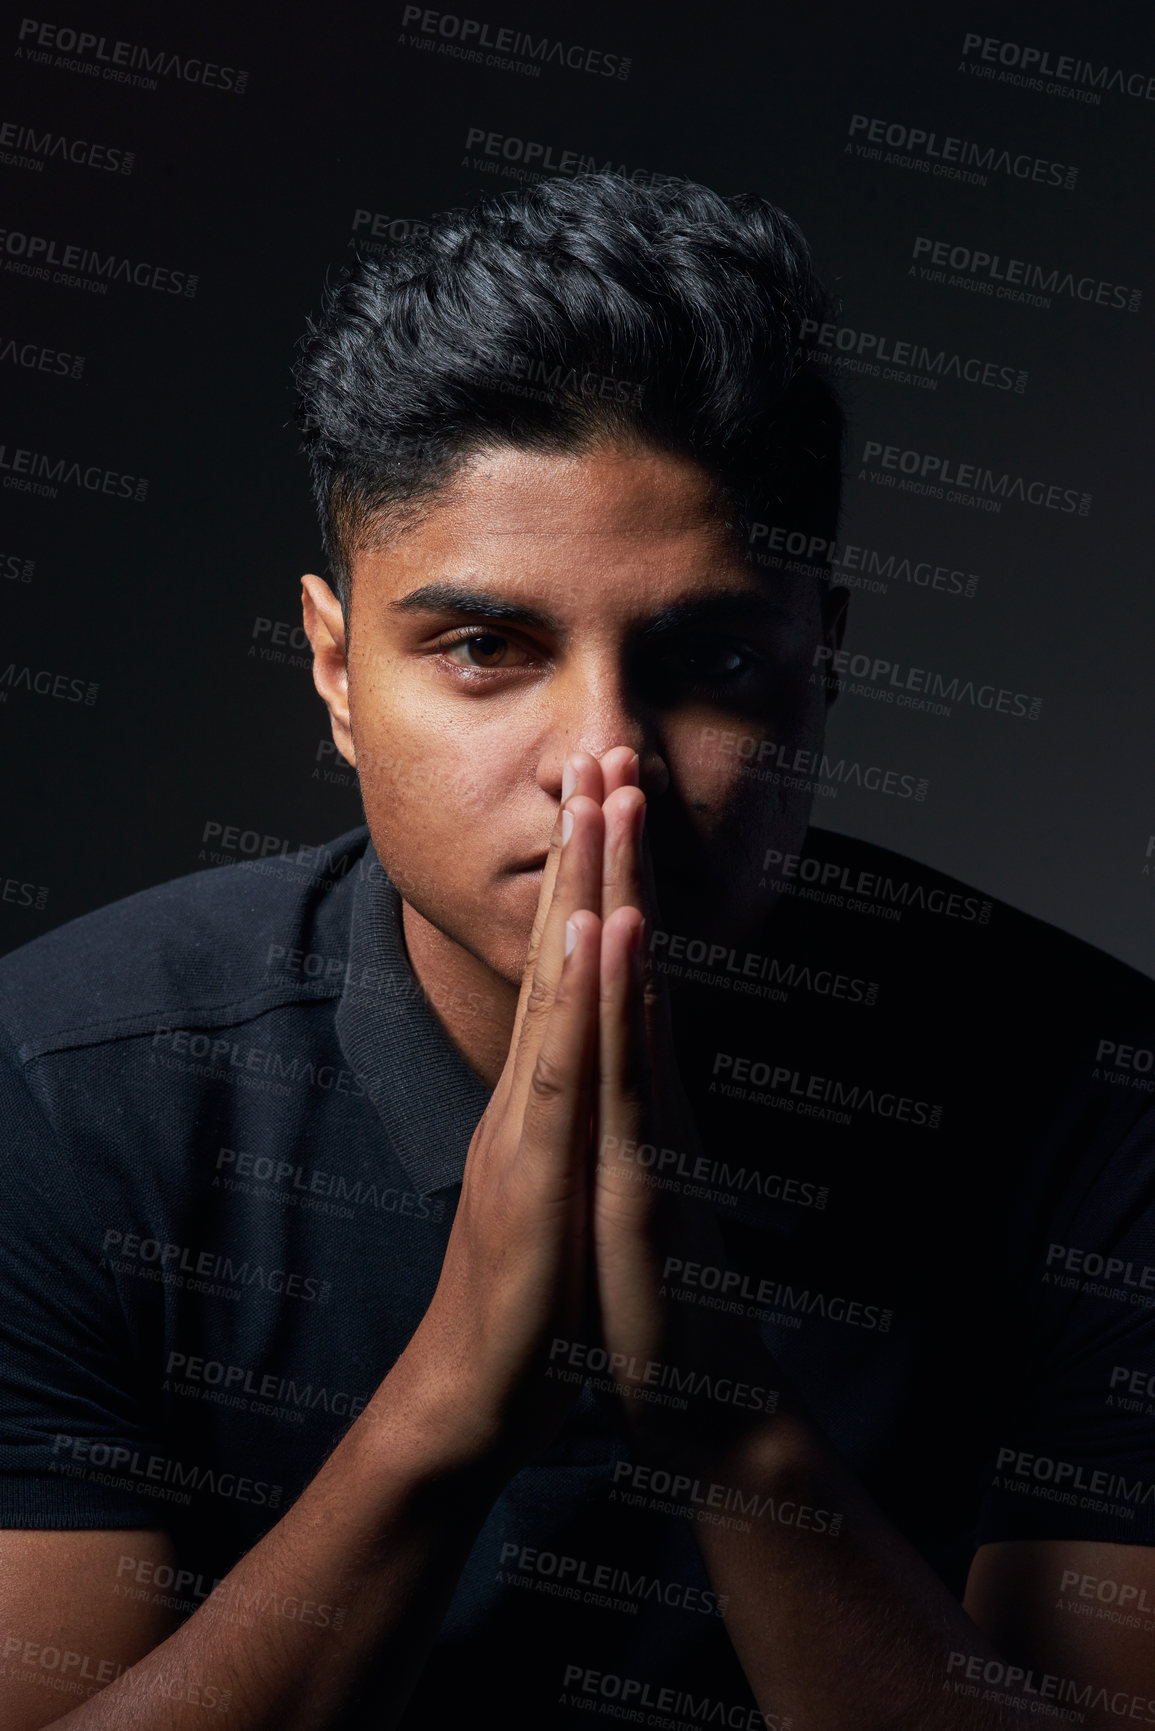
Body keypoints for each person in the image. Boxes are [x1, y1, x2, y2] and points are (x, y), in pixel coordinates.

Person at [1, 173, 1153, 1731]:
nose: (603, 760)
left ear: (828, 669)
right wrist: (454, 1394)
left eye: (712, 661)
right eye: (487, 649)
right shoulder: (63, 1094)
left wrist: (723, 1416)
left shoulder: (1102, 1111)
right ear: (337, 670)